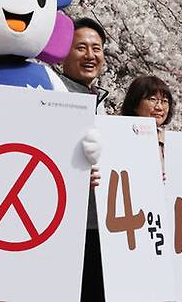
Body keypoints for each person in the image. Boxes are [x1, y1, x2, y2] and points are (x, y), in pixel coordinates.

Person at [59, 17, 108, 302]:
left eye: (97, 48)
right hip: (66, 226)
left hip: (99, 224)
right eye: (81, 48)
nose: (91, 56)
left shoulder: (96, 101)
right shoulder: (53, 95)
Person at [121, 75, 174, 179]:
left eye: (164, 101)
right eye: (152, 99)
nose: (159, 107)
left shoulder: (172, 143)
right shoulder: (120, 136)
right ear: (135, 104)